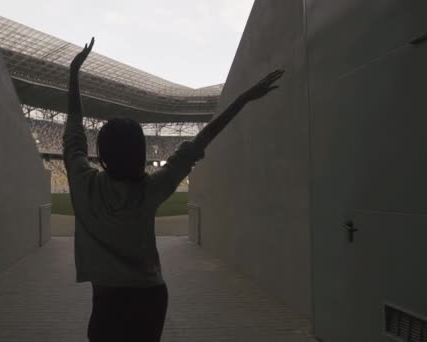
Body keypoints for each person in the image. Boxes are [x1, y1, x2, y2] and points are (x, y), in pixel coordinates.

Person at [63, 37, 284, 342]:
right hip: (150, 296)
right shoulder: (151, 189)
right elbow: (201, 140)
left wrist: (74, 73)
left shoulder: (82, 182)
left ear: (102, 152)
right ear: (141, 153)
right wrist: (243, 99)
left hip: (106, 299)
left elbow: (73, 132)